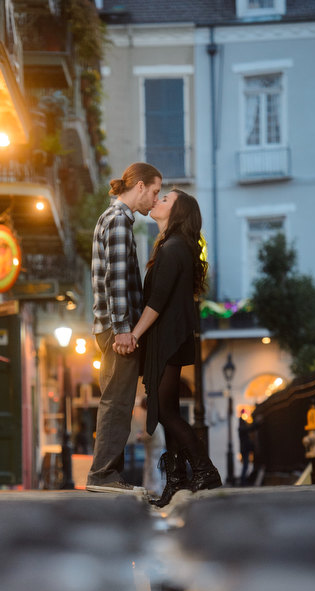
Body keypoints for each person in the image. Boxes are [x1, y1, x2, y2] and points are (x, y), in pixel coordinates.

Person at [117, 188, 221, 508]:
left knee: (163, 409)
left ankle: (204, 470)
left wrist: (133, 333)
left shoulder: (174, 247)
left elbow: (157, 302)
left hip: (168, 338)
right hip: (168, 337)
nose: (157, 201)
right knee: (166, 409)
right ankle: (177, 480)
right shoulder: (172, 246)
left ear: (177, 212)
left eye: (165, 199)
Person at [86, 162, 163, 494]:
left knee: (115, 398)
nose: (155, 200)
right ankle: (103, 476)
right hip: (116, 328)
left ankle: (108, 475)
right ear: (141, 186)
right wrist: (123, 330)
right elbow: (115, 280)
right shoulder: (118, 222)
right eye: (156, 192)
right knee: (117, 401)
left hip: (110, 326)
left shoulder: (112, 218)